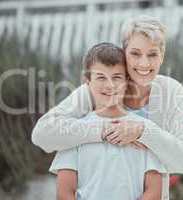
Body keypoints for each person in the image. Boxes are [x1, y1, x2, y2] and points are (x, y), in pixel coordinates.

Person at [32, 15, 183, 200]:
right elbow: (42, 134)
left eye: (152, 54)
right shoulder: (97, 90)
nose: (144, 63)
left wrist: (143, 131)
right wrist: (105, 129)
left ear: (162, 55)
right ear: (124, 52)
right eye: (135, 54)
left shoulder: (170, 91)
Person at [49, 43, 166, 200]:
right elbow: (64, 193)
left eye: (117, 77)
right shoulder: (74, 132)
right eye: (101, 77)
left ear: (127, 81)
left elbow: (153, 191)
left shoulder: (142, 129)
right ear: (88, 83)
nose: (110, 85)